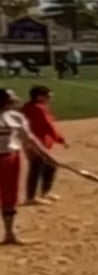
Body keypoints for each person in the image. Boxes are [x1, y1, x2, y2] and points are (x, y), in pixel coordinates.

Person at [2, 89, 59, 246]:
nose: (15, 101)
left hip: (9, 158)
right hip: (7, 158)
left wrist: (47, 156)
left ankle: (10, 233)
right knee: (8, 196)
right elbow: (30, 140)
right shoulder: (15, 117)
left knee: (9, 197)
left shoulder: (16, 117)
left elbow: (30, 139)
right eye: (11, 99)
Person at [21, 85, 65, 205]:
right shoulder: (40, 109)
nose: (50, 99)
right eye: (48, 96)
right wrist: (60, 139)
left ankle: (44, 192)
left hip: (30, 142)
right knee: (37, 167)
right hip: (39, 143)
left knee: (49, 166)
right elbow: (49, 125)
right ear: (40, 97)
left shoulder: (26, 107)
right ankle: (31, 197)